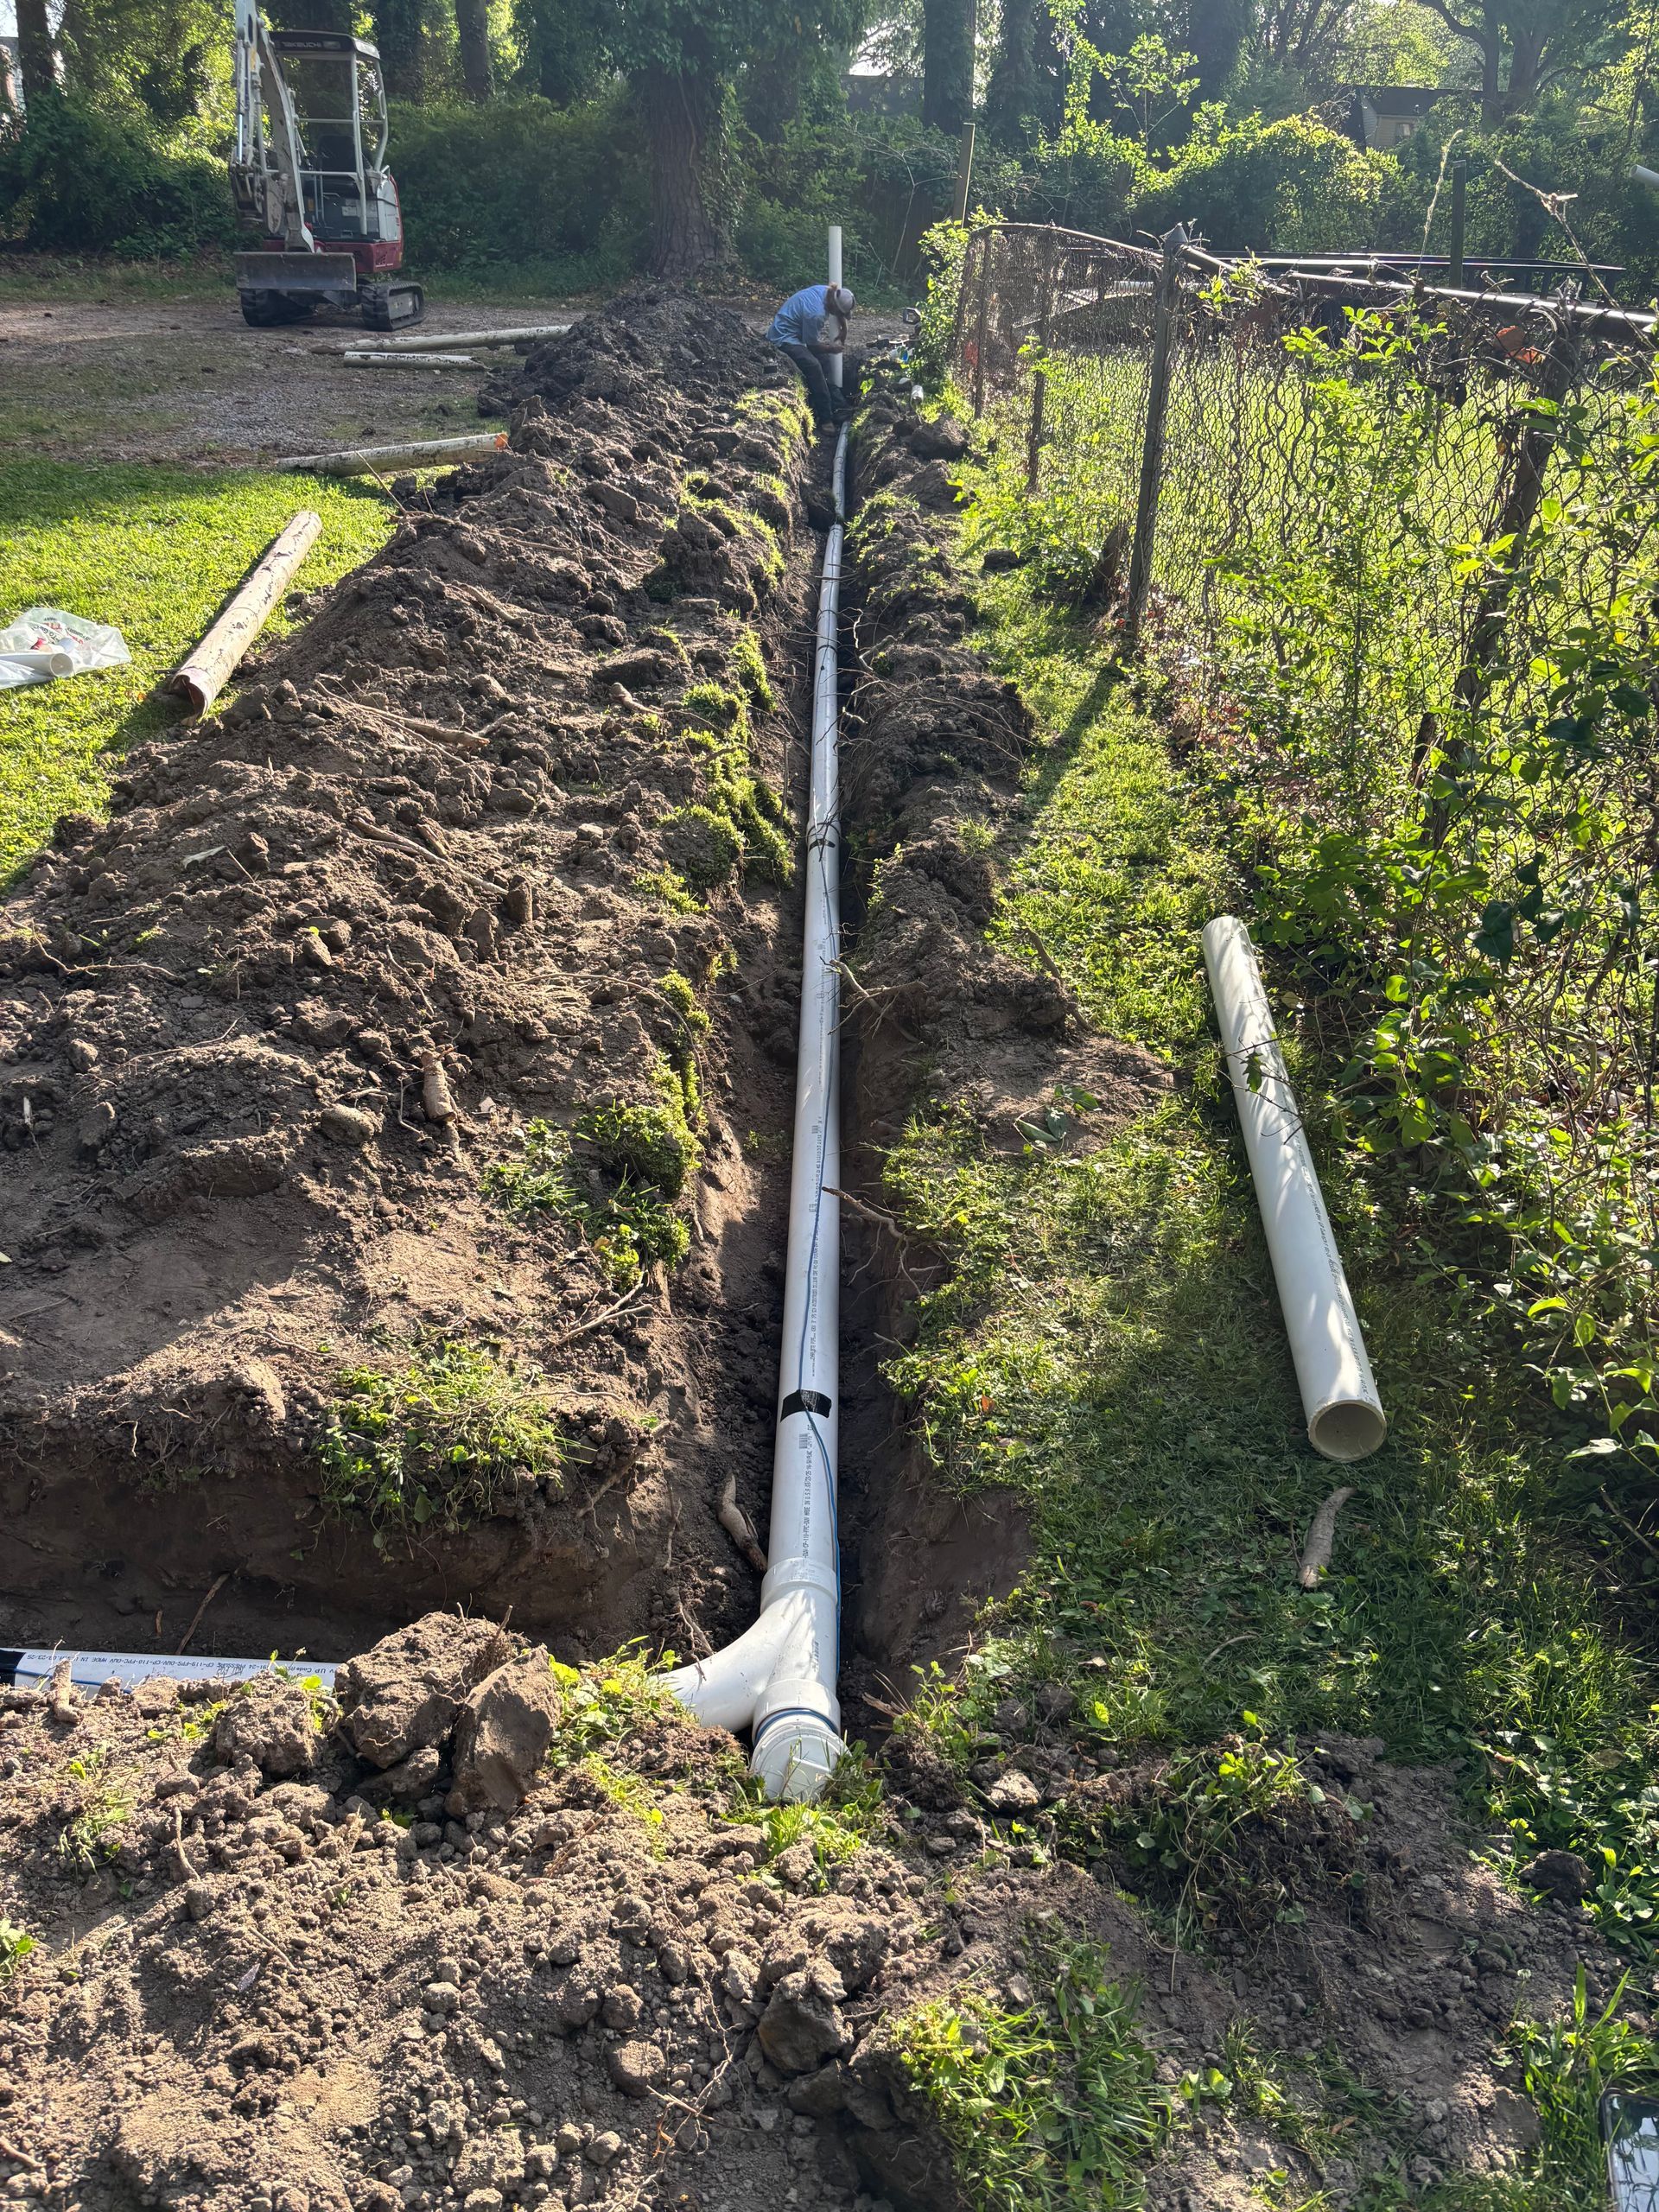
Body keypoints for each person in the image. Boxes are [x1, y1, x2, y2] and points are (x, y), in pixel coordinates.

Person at [766, 281, 862, 431]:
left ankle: (839, 406)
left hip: (797, 334)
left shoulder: (826, 291)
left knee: (825, 362)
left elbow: (837, 310)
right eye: (840, 313)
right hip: (784, 337)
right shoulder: (816, 314)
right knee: (814, 366)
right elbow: (812, 346)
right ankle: (826, 418)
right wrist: (831, 349)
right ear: (834, 307)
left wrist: (844, 327)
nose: (839, 316)